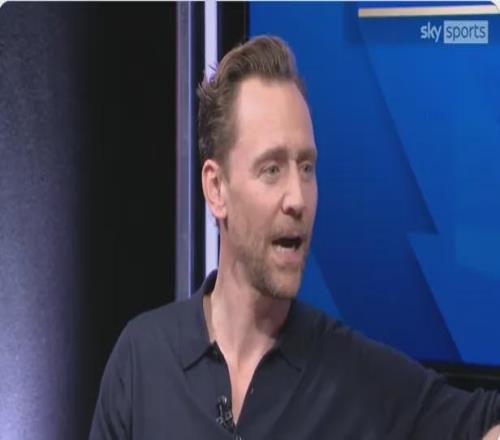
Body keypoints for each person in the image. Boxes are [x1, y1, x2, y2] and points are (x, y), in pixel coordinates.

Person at [89, 35, 500, 440]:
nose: (298, 199)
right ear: (216, 188)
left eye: (306, 168)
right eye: (272, 169)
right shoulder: (142, 361)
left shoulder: (354, 375)